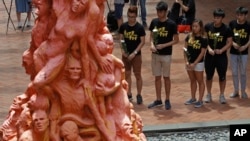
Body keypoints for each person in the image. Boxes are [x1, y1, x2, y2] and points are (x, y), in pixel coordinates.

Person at [148, 1, 179, 110]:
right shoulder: (154, 22)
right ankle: (158, 99)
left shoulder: (171, 24)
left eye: (160, 11)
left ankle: (167, 99)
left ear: (165, 12)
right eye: (157, 11)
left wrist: (164, 45)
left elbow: (176, 40)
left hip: (166, 55)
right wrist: (152, 44)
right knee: (157, 77)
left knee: (166, 77)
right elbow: (151, 36)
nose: (158, 13)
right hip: (155, 54)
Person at [204, 8, 233, 104]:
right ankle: (208, 94)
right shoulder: (208, 26)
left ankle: (222, 95)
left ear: (222, 18)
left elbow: (229, 43)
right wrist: (209, 49)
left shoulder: (227, 29)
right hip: (209, 56)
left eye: (218, 18)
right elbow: (204, 39)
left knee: (222, 76)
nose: (216, 19)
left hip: (221, 57)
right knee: (209, 76)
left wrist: (221, 50)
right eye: (215, 17)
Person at [119, 6, 146, 104]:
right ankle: (128, 93)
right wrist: (123, 51)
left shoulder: (139, 28)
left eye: (133, 17)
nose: (131, 19)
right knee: (127, 74)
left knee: (137, 75)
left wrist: (134, 53)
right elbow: (121, 39)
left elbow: (142, 42)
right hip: (126, 55)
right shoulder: (123, 26)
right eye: (129, 16)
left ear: (136, 17)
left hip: (136, 55)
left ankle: (139, 94)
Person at [183, 19, 207, 108]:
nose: (194, 28)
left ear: (200, 27)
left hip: (198, 63)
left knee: (200, 81)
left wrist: (195, 63)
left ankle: (200, 100)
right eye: (193, 26)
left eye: (196, 26)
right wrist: (186, 61)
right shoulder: (188, 36)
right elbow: (185, 49)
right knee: (192, 80)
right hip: (189, 63)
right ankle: (193, 98)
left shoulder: (203, 39)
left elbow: (202, 53)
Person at [229, 7, 250, 99]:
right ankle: (236, 91)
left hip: (244, 53)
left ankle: (243, 91)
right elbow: (228, 37)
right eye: (237, 15)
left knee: (243, 72)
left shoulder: (249, 25)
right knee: (234, 72)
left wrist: (245, 46)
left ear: (246, 15)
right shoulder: (232, 24)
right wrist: (233, 44)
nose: (239, 17)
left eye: (241, 15)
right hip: (233, 52)